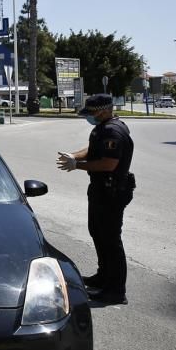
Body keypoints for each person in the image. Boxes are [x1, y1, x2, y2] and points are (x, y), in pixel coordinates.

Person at [56, 93, 135, 305]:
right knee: (98, 233)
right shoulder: (103, 127)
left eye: (91, 113)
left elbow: (109, 163)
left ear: (104, 110)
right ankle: (103, 277)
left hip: (112, 191)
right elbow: (92, 150)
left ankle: (116, 291)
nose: (89, 117)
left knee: (110, 239)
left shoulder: (113, 130)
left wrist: (77, 166)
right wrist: (74, 156)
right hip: (101, 189)